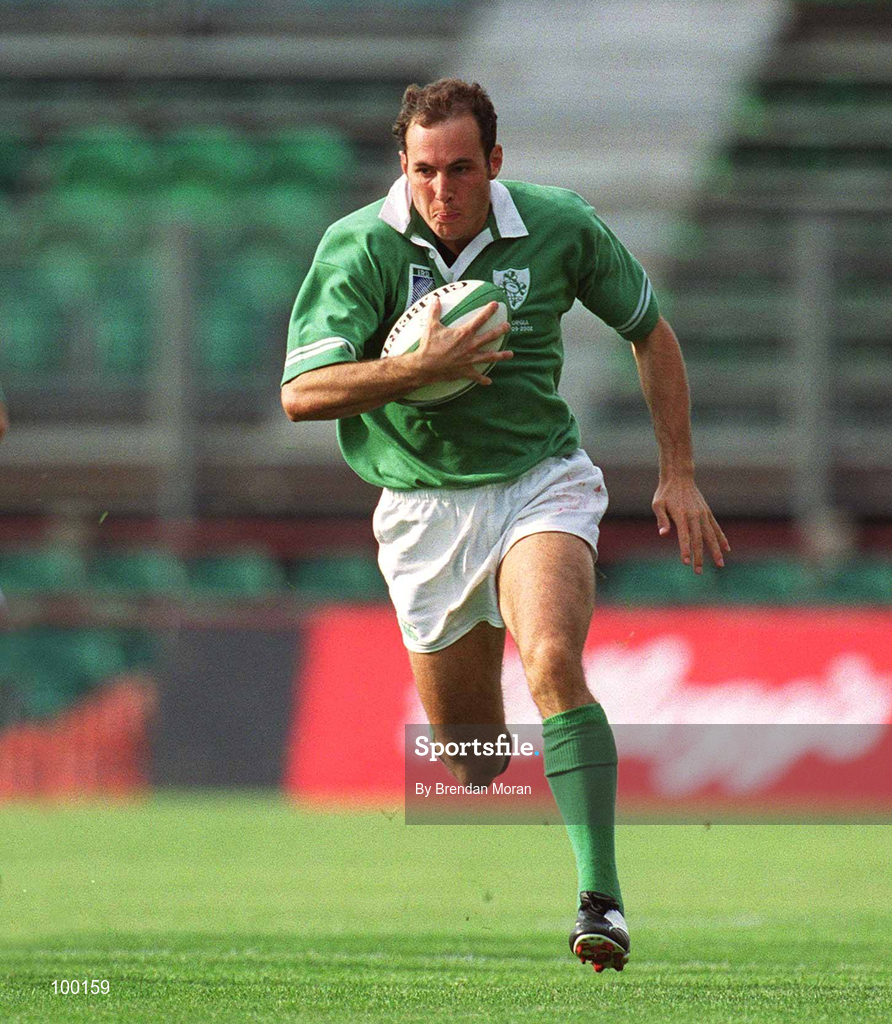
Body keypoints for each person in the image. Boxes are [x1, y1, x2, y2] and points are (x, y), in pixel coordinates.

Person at [281, 78, 729, 974]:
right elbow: (301, 393)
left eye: (459, 169)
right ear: (402, 166)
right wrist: (417, 369)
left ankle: (601, 901)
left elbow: (649, 330)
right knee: (472, 761)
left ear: (494, 162)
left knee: (554, 660)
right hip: (422, 511)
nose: (440, 190)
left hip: (539, 484)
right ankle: (531, 755)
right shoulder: (360, 245)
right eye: (423, 171)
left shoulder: (560, 225)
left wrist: (678, 471)